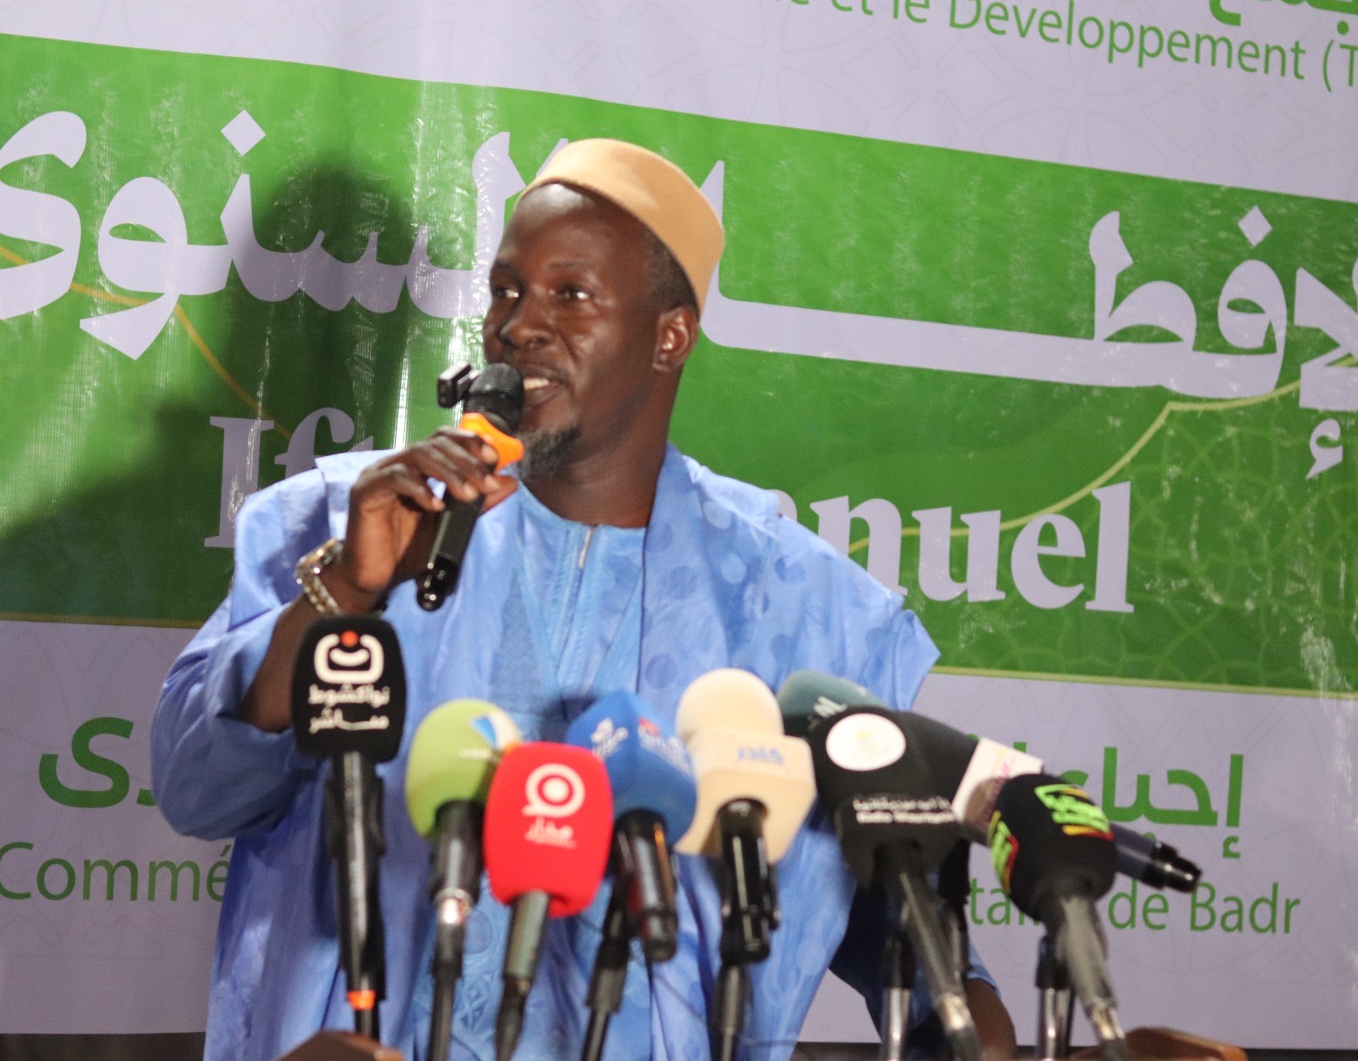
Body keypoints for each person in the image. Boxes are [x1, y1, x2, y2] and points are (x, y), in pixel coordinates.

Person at [152, 139, 1016, 1061]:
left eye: (571, 295)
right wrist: (344, 592)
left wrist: (969, 1018)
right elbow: (197, 788)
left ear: (670, 336)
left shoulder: (802, 606)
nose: (519, 326)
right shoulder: (343, 519)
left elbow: (879, 900)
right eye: (507, 291)